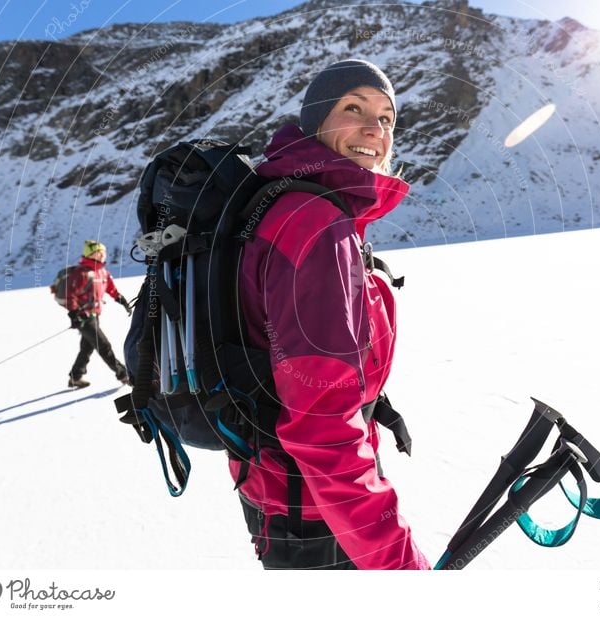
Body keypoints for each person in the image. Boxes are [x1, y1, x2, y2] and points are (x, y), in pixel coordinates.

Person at [232, 59, 430, 569]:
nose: (375, 130)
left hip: (283, 489)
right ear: (316, 122)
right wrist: (398, 564)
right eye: (353, 108)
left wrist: (371, 405)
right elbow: (320, 425)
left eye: (387, 118)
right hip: (318, 512)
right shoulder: (317, 224)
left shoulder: (294, 203)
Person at [66, 240, 131, 389]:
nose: (103, 255)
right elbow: (70, 295)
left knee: (87, 348)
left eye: (104, 253)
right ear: (91, 254)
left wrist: (122, 301)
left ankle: (75, 377)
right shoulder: (82, 272)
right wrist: (74, 314)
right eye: (100, 253)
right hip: (85, 318)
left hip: (95, 316)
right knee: (104, 346)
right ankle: (123, 374)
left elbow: (111, 289)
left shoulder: (102, 272)